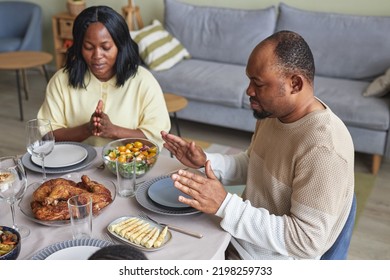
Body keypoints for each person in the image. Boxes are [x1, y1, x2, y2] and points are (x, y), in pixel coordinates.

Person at [161, 30, 355, 260]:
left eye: (258, 83)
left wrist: (225, 205)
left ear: (294, 83)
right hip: (237, 236)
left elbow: (307, 241)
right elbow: (254, 164)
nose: (249, 91)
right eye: (249, 79)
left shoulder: (324, 150)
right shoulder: (274, 115)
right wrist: (206, 162)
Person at [37, 6, 170, 149]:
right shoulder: (61, 80)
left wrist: (114, 131)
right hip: (74, 167)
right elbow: (48, 135)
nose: (97, 56)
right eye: (88, 47)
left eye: (105, 47)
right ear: (79, 47)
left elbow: (157, 138)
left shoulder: (144, 81)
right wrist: (88, 129)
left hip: (130, 167)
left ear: (120, 46)